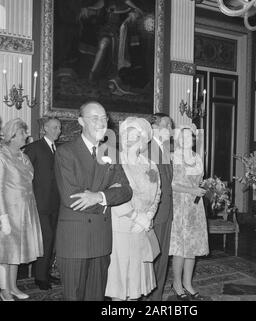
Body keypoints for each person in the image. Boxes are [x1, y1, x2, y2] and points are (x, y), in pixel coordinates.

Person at [54, 101, 132, 301]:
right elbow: (73, 199)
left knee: (96, 297)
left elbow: (126, 191)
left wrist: (98, 196)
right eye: (94, 118)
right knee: (75, 297)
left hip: (101, 238)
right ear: (81, 121)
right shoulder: (66, 152)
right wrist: (108, 195)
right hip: (75, 240)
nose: (101, 122)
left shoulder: (110, 152)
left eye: (104, 117)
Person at [105, 117, 161, 301]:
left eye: (136, 136)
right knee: (120, 286)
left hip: (142, 229)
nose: (131, 139)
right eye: (127, 135)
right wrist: (138, 217)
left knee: (135, 285)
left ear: (144, 139)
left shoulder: (150, 165)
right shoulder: (114, 161)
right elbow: (114, 194)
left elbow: (157, 193)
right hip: (121, 227)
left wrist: (149, 217)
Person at [0, 118, 43, 301]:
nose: (27, 135)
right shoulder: (2, 156)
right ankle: (4, 291)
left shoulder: (23, 156)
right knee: (6, 254)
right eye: (23, 133)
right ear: (13, 135)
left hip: (25, 211)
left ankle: (13, 286)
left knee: (16, 253)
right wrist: (3, 217)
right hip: (8, 211)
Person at [169, 125, 209, 300]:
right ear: (178, 139)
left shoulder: (198, 157)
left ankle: (188, 283)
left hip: (195, 207)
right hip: (180, 206)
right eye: (183, 137)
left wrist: (206, 188)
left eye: (189, 137)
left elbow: (200, 180)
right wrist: (191, 191)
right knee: (180, 248)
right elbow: (172, 184)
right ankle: (177, 284)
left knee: (191, 247)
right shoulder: (174, 157)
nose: (187, 140)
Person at [24, 117, 61, 290]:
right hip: (39, 203)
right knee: (46, 238)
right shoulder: (34, 148)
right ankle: (40, 278)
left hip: (56, 203)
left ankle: (46, 273)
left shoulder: (59, 149)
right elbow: (24, 176)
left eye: (59, 128)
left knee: (52, 240)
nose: (58, 131)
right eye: (54, 128)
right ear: (45, 129)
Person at [146, 112, 173, 301]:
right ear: (155, 128)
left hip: (166, 212)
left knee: (162, 259)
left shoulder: (164, 148)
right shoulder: (148, 149)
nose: (171, 130)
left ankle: (156, 297)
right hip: (154, 214)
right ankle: (148, 297)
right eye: (168, 125)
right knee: (151, 258)